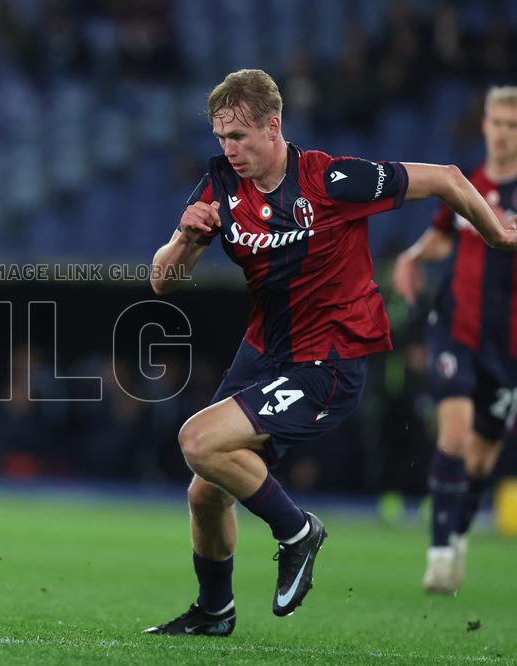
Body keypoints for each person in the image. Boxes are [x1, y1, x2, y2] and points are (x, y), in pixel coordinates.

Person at [145, 69, 517, 636]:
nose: (229, 150)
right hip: (264, 352)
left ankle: (297, 532)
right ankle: (215, 610)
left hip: (329, 359)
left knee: (197, 440)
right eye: (221, 137)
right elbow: (161, 284)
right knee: (204, 492)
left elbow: (445, 177)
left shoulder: (332, 179)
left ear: (273, 127)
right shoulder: (220, 183)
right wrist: (185, 242)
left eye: (240, 137)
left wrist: (495, 235)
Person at [392, 85, 517, 594]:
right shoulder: (466, 182)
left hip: (508, 345)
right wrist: (414, 257)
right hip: (456, 327)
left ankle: (459, 532)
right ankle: (440, 552)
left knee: (483, 459)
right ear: (484, 124)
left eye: (513, 124)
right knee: (456, 436)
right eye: (497, 121)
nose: (504, 131)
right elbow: (444, 231)